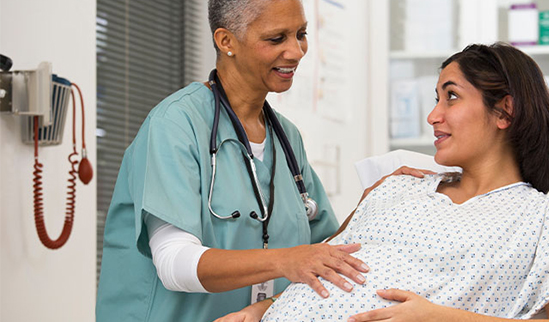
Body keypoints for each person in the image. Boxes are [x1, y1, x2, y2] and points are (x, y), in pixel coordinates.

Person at [222, 43, 549, 321]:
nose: (432, 116)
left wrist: (438, 318)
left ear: (505, 111)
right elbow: (327, 265)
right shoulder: (399, 187)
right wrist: (266, 307)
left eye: (451, 97)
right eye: (435, 98)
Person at [95, 0, 381, 320]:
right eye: (276, 39)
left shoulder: (286, 138)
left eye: (300, 34)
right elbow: (174, 263)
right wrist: (284, 261)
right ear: (226, 40)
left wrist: (381, 196)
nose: (296, 51)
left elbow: (325, 250)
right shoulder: (175, 125)